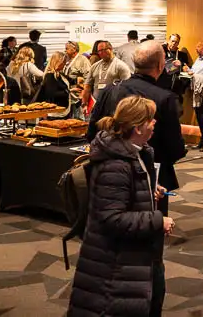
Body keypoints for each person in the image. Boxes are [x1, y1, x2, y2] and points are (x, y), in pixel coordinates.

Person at [67, 96, 174, 317]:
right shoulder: (115, 164)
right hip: (114, 268)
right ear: (137, 127)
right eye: (151, 119)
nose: (155, 123)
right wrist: (157, 220)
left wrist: (148, 190)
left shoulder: (134, 152)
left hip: (132, 260)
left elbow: (124, 195)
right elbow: (111, 218)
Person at [86, 44, 188, 206]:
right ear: (161, 66)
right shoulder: (165, 98)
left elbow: (92, 132)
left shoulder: (109, 91)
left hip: (108, 173)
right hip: (152, 177)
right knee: (148, 224)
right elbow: (174, 148)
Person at [85, 41, 133, 109]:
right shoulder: (94, 66)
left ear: (110, 49)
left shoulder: (121, 66)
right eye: (99, 51)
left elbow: (128, 88)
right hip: (96, 104)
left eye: (103, 50)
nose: (100, 53)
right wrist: (84, 103)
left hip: (113, 104)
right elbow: (87, 86)